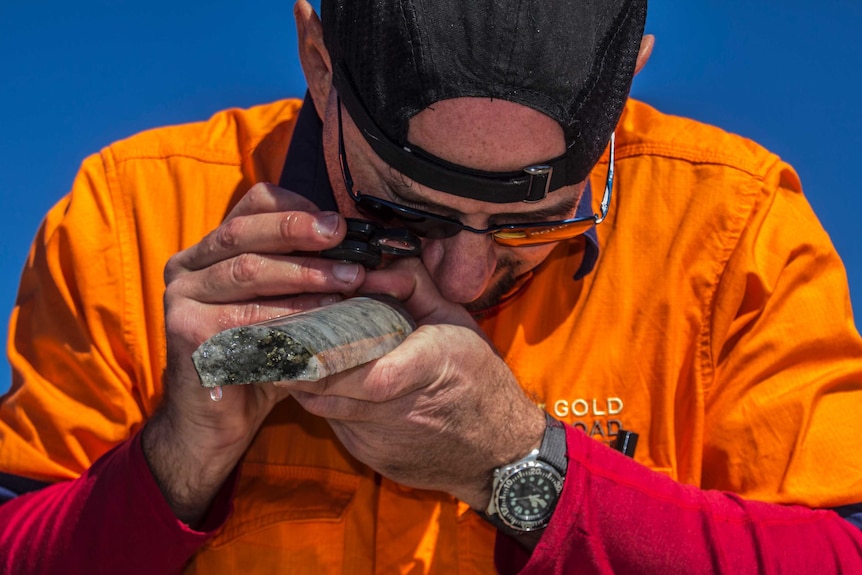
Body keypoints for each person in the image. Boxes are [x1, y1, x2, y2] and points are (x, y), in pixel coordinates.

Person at [1, 0, 861, 572]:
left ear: (629, 79)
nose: (464, 274)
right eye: (402, 203)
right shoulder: (129, 217)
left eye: (533, 218)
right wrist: (175, 460)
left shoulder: (734, 235)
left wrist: (524, 467)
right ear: (318, 58)